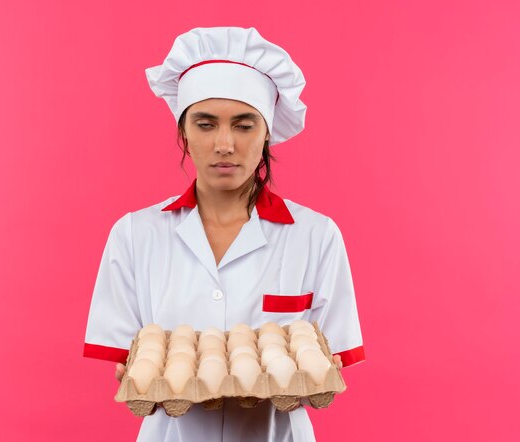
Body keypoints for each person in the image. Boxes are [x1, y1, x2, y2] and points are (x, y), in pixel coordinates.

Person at [83, 26, 365, 442]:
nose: (225, 144)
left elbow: (326, 355)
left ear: (268, 131)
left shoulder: (316, 236)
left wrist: (314, 372)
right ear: (184, 132)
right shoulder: (135, 235)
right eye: (206, 123)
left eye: (245, 125)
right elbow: (133, 359)